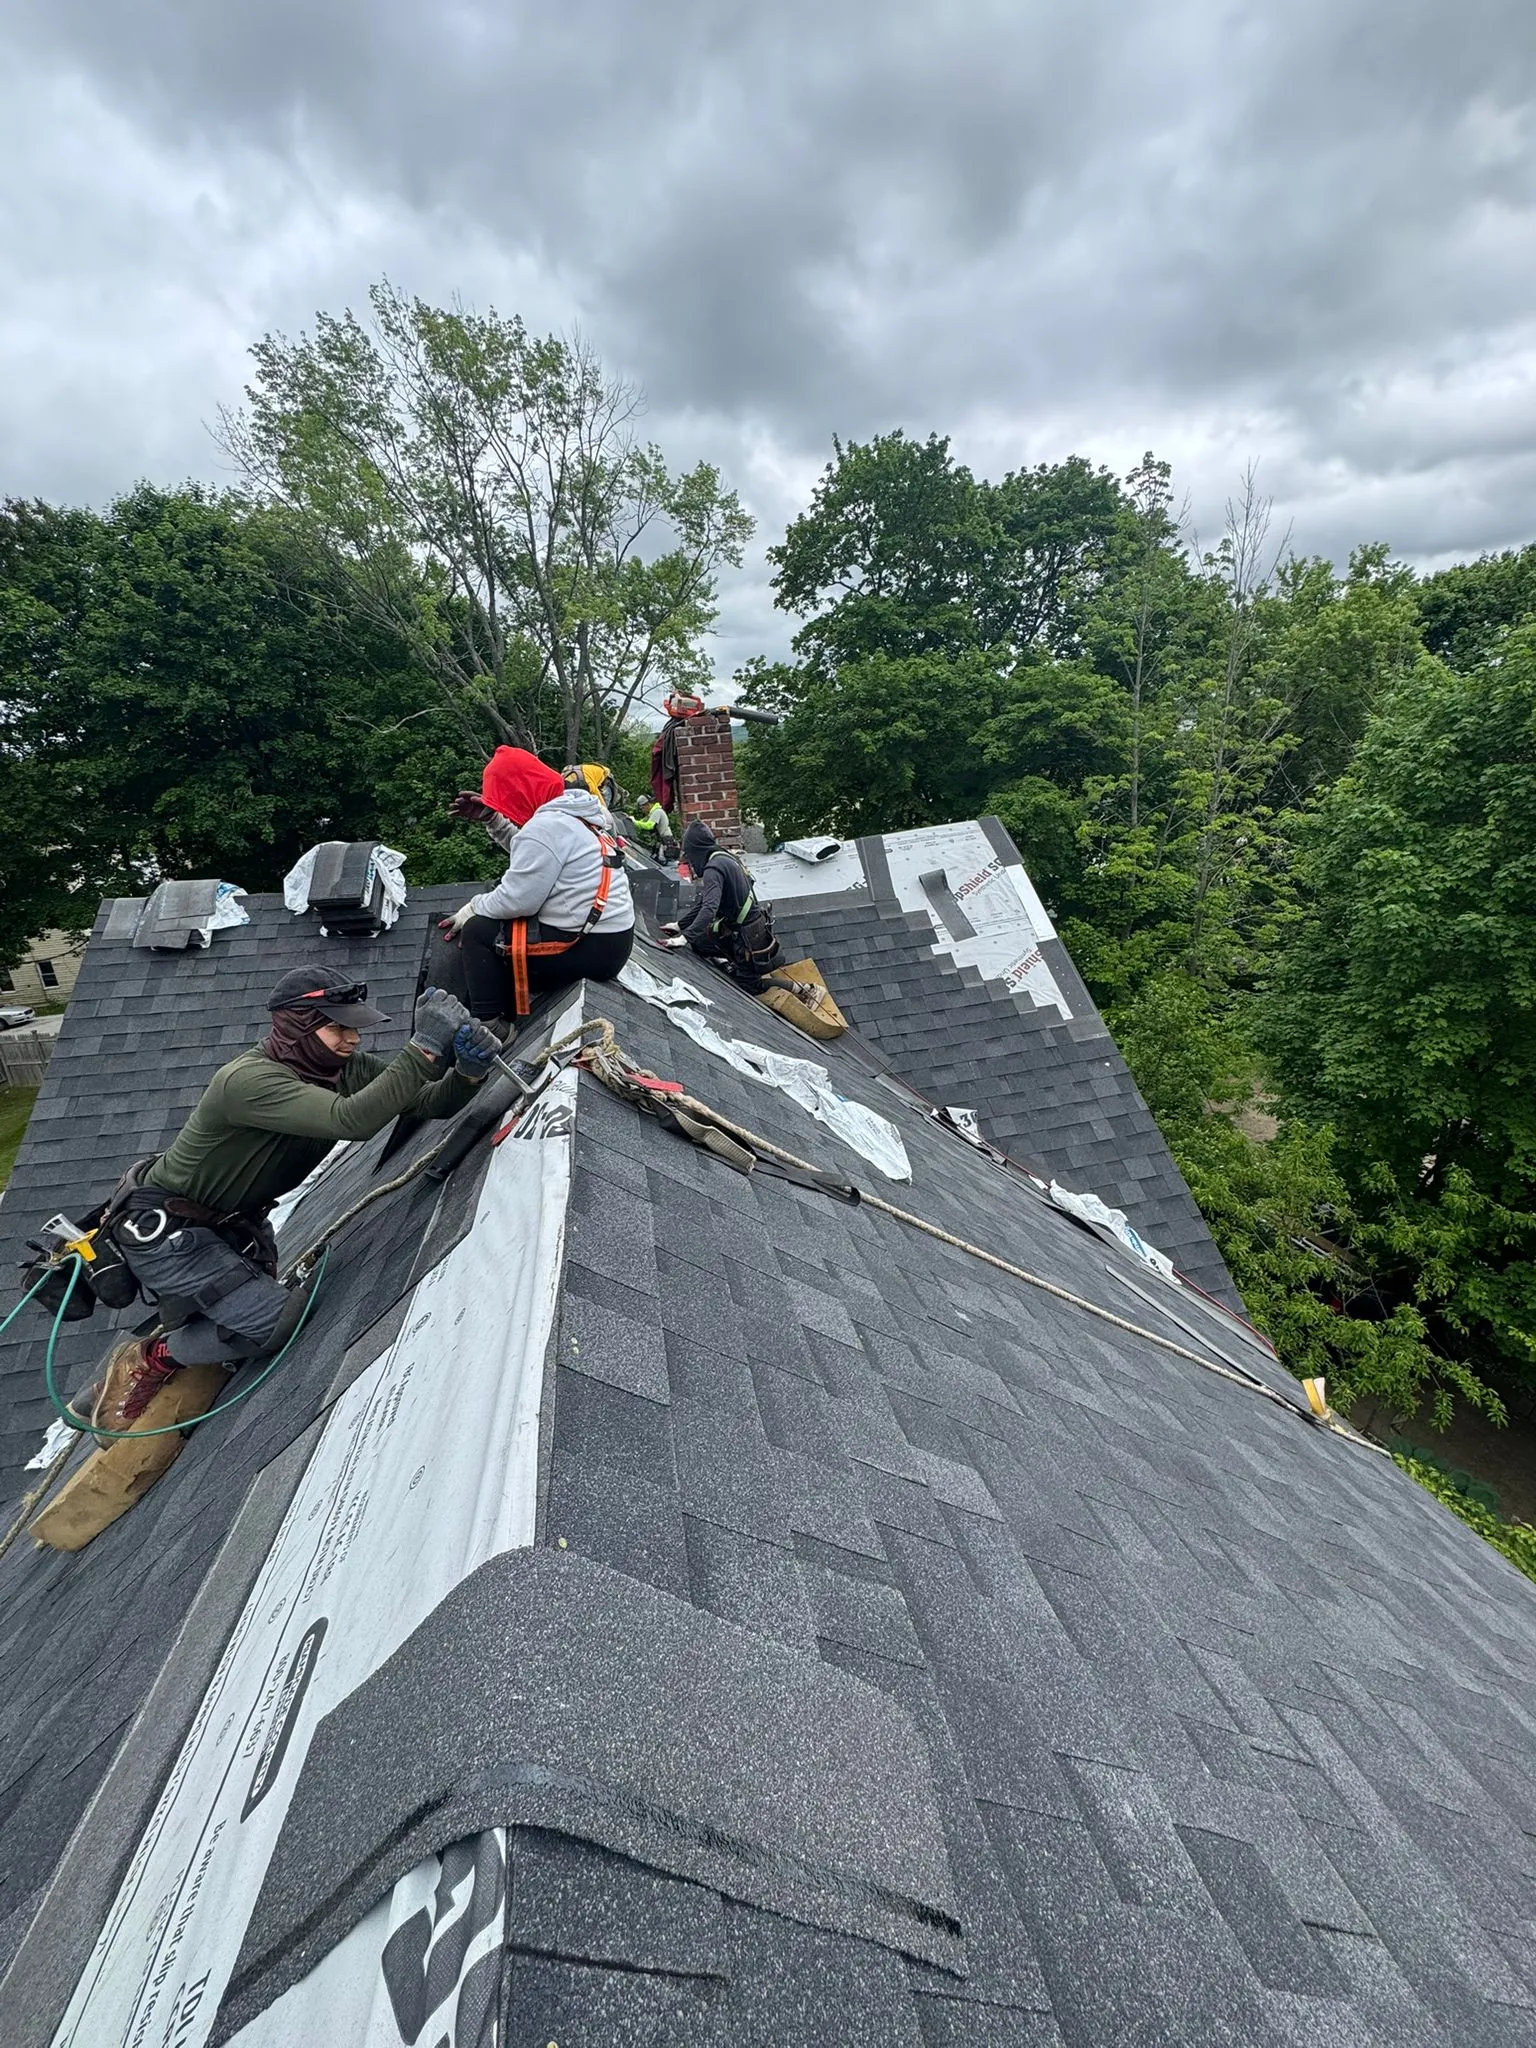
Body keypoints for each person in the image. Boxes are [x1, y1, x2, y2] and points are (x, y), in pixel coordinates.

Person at [76, 971, 502, 1429]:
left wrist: (468, 1073)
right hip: (167, 1231)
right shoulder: (248, 1081)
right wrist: (422, 1047)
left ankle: (201, 1319)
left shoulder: (342, 1068)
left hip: (229, 1224)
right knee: (276, 1323)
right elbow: (352, 1120)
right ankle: (150, 1356)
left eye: (355, 1027)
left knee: (242, 1313)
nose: (353, 1038)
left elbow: (427, 1102)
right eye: (338, 1027)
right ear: (297, 1027)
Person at [442, 746, 635, 1025]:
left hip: (588, 950)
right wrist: (494, 820)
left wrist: (472, 907)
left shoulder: (546, 827)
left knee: (479, 931)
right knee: (505, 925)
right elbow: (539, 858)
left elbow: (517, 901)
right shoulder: (575, 811)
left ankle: (490, 1027)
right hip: (613, 942)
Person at [665, 820, 782, 990]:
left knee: (750, 986)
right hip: (749, 929)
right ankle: (729, 964)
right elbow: (706, 901)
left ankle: (801, 989)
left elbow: (710, 908)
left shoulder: (713, 869)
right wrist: (680, 925)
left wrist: (684, 938)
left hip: (747, 937)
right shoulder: (725, 857)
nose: (691, 862)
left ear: (695, 850)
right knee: (699, 943)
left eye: (689, 855)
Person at [628, 794, 679, 863]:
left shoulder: (657, 812)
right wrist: (632, 821)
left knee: (664, 862)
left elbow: (649, 825)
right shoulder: (652, 813)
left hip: (666, 841)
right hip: (661, 841)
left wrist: (634, 822)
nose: (642, 810)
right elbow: (642, 821)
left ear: (647, 805)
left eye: (642, 808)